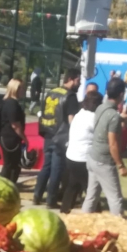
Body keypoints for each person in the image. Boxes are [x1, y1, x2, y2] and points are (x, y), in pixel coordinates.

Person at [33, 68, 81, 207]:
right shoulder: (70, 96)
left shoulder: (51, 92)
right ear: (71, 79)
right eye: (78, 80)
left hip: (48, 134)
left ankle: (37, 195)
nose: (79, 84)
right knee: (56, 169)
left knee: (45, 167)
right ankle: (51, 200)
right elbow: (71, 120)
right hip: (61, 136)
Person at [82, 77, 127, 216]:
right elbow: (112, 144)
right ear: (121, 94)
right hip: (104, 162)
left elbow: (106, 122)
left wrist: (120, 118)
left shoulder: (101, 107)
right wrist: (120, 165)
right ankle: (119, 227)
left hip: (92, 158)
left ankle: (83, 223)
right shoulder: (113, 115)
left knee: (91, 196)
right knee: (115, 199)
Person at [61, 90, 101, 214]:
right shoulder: (93, 118)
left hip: (71, 156)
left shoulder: (80, 113)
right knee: (90, 188)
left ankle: (65, 210)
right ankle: (97, 212)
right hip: (83, 159)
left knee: (73, 185)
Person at [0, 77, 28, 182]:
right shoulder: (12, 104)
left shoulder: (8, 102)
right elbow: (15, 125)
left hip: (8, 137)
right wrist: (24, 138)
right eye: (22, 88)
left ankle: (7, 185)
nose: (24, 90)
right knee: (11, 165)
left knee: (12, 165)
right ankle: (5, 185)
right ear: (16, 89)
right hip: (10, 138)